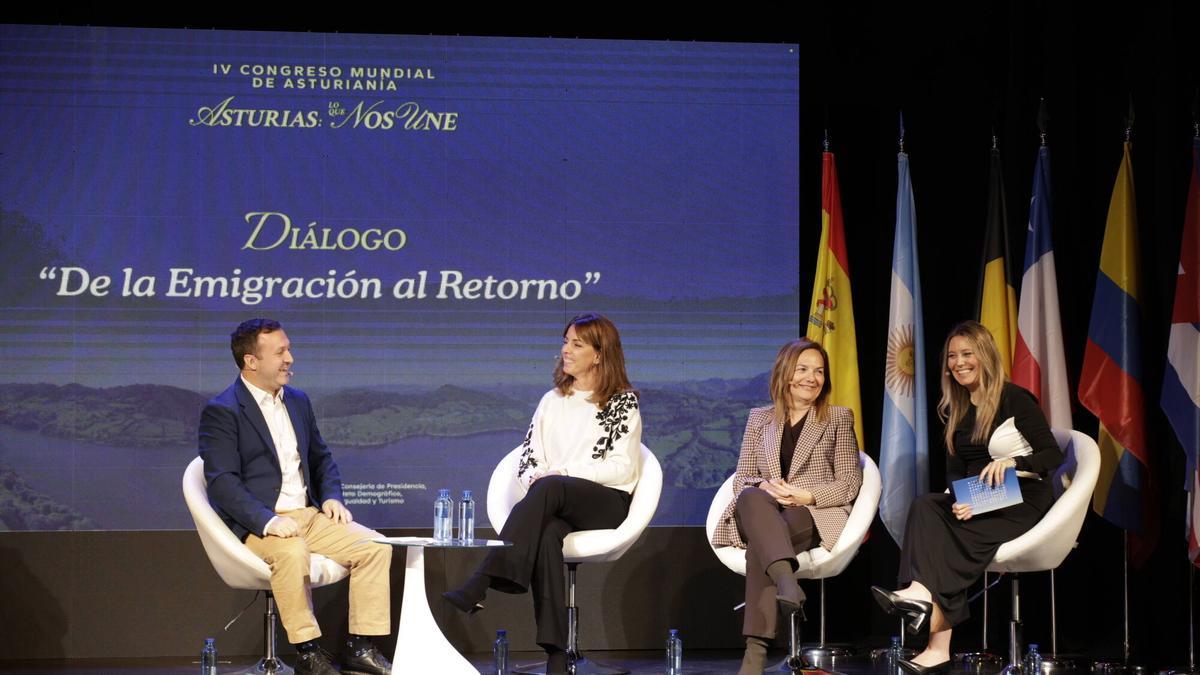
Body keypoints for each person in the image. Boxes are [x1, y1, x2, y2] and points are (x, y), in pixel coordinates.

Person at [443, 313, 642, 674]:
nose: (565, 350)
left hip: (606, 502)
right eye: (565, 341)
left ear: (599, 354)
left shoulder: (621, 403)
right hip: (555, 501)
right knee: (548, 534)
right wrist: (536, 475)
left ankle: (482, 580)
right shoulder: (552, 399)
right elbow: (528, 457)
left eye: (576, 344)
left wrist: (563, 474)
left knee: (551, 487)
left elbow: (622, 468)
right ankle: (555, 653)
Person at [199, 319, 392, 675]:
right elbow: (223, 483)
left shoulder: (299, 402)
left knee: (376, 548)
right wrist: (269, 521)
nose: (290, 358)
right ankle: (308, 652)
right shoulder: (223, 410)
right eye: (280, 352)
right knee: (291, 551)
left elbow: (321, 458)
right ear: (251, 362)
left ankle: (360, 646)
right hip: (258, 521)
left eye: (288, 348)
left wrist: (332, 496)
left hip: (308, 515)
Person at [871, 320, 1064, 675]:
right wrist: (959, 498)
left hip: (1021, 497)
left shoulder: (1015, 398)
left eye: (966, 354)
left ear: (985, 356)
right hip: (980, 497)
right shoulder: (956, 407)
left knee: (946, 539)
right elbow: (955, 470)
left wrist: (1012, 461)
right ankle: (920, 597)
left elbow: (1052, 455)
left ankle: (934, 638)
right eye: (951, 356)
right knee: (926, 506)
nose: (957, 363)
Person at [711, 338, 863, 675]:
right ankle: (787, 583)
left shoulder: (837, 418)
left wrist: (806, 496)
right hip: (765, 509)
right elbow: (742, 478)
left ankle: (755, 654)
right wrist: (764, 486)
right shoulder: (758, 419)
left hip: (810, 514)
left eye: (819, 371)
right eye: (803, 369)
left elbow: (850, 482)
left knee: (760, 548)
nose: (812, 377)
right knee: (751, 495)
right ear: (785, 374)